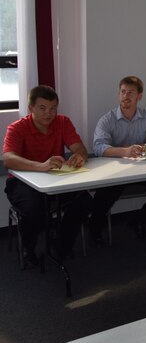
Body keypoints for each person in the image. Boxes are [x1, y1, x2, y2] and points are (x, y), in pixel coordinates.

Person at [3, 86, 92, 265]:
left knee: (84, 201)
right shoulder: (17, 127)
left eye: (53, 108)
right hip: (22, 182)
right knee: (33, 207)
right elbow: (8, 159)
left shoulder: (63, 122)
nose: (48, 113)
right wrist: (40, 166)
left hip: (54, 180)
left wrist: (79, 157)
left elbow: (80, 148)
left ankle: (61, 245)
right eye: (42, 108)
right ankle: (28, 250)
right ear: (31, 108)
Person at [88, 76, 146, 242]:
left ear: (139, 96)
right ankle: (94, 232)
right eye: (122, 92)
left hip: (142, 168)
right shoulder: (107, 119)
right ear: (118, 94)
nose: (125, 96)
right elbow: (98, 147)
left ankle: (139, 221)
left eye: (130, 93)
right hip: (116, 171)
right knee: (103, 195)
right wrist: (125, 151)